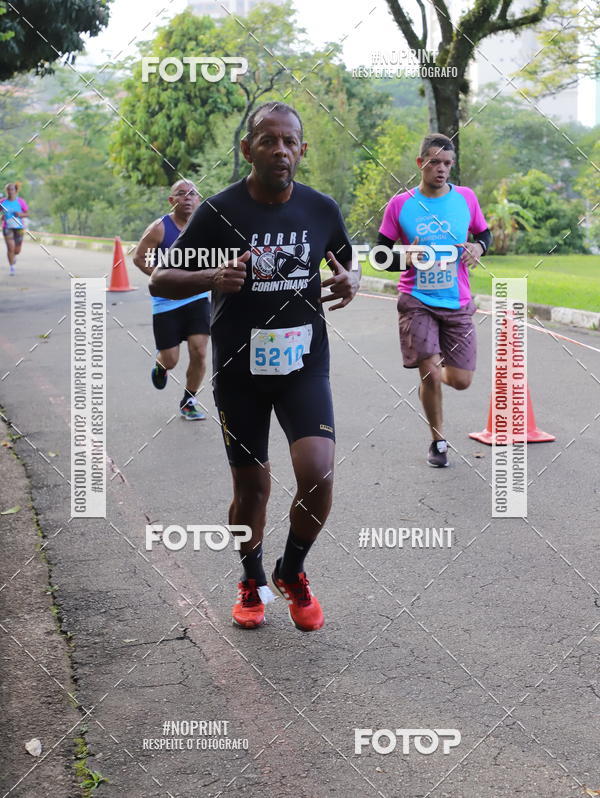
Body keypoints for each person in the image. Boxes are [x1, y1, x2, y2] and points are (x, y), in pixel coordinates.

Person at [150, 102, 359, 631]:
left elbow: (345, 261)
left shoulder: (320, 209)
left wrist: (352, 281)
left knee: (319, 472)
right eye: (268, 141)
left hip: (304, 363)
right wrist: (211, 278)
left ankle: (292, 570)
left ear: (302, 150)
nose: (280, 150)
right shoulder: (219, 212)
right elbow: (160, 280)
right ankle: (251, 578)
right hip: (240, 370)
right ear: (247, 149)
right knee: (253, 488)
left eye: (290, 142)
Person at [376, 133, 492, 468]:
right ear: (420, 163)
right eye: (434, 161)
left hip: (457, 300)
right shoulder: (400, 204)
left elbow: (484, 234)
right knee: (427, 370)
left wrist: (478, 247)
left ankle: (437, 366)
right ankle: (438, 441)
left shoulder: (466, 199)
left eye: (446, 163)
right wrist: (405, 258)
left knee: (460, 380)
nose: (440, 169)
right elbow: (381, 256)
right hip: (416, 299)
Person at [133, 180, 210, 420]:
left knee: (199, 351)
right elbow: (139, 258)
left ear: (198, 199)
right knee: (171, 359)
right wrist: (161, 278)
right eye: (181, 194)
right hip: (166, 302)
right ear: (171, 200)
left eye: (192, 194)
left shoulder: (206, 225)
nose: (187, 198)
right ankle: (160, 366)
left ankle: (189, 400)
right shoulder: (159, 228)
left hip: (198, 297)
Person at [1, 182, 29, 276]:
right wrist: (2, 217)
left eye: (12, 189)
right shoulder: (2, 202)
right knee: (10, 248)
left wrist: (20, 214)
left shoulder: (21, 201)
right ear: (6, 191)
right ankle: (11, 267)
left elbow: (27, 213)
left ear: (15, 190)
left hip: (19, 227)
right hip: (7, 227)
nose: (10, 191)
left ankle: (14, 256)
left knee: (17, 250)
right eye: (8, 189)